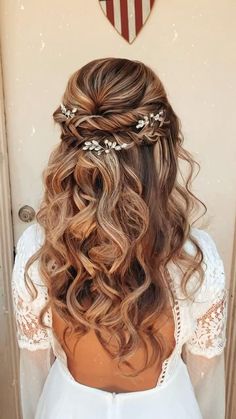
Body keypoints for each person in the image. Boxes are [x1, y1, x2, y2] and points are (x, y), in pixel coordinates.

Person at [11, 57, 228, 419]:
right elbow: (205, 382)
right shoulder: (196, 260)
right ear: (163, 150)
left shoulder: (39, 251)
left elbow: (34, 367)